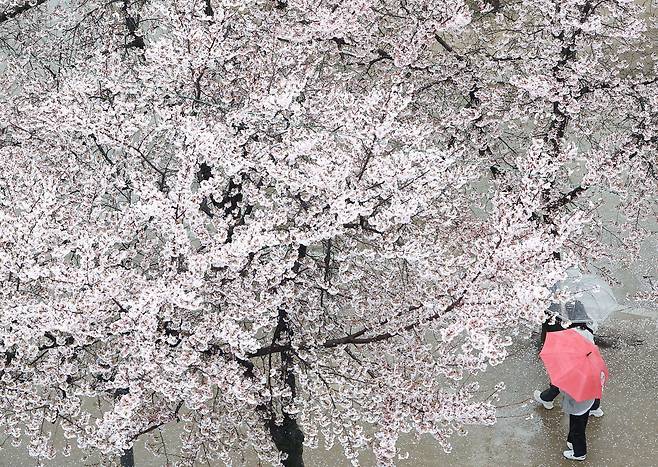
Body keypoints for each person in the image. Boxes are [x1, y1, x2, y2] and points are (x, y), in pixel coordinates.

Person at [535, 300, 604, 417]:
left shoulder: (570, 331)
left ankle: (547, 398)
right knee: (593, 382)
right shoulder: (589, 325)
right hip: (591, 359)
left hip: (575, 362)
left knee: (561, 380)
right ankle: (595, 407)